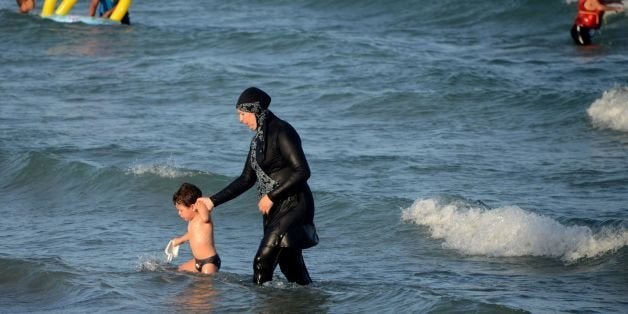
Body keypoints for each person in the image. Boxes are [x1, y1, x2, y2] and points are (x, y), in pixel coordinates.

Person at [196, 87, 319, 285]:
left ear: (256, 111)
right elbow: (246, 178)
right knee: (291, 267)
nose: (240, 120)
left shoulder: (283, 131)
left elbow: (302, 171)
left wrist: (271, 196)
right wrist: (212, 201)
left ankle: (259, 304)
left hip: (294, 205)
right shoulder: (257, 141)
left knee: (262, 261)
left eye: (242, 114)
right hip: (275, 209)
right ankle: (311, 302)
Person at [171, 182, 221, 275]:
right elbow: (192, 234)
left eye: (181, 210)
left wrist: (201, 204)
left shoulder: (202, 216)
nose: (179, 213)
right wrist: (179, 240)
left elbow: (206, 218)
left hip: (209, 262)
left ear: (193, 207)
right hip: (197, 262)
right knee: (179, 271)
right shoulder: (192, 221)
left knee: (205, 285)